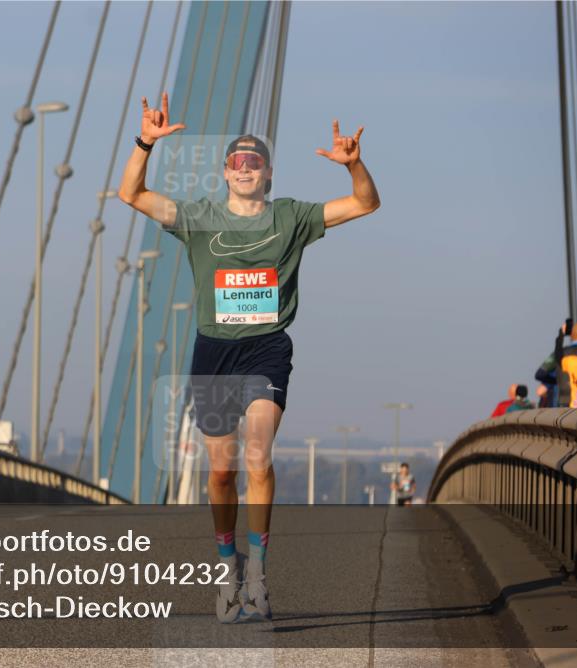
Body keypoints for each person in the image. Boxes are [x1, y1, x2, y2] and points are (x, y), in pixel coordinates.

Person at [117, 93, 380, 622]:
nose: (244, 168)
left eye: (253, 161)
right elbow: (131, 194)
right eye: (236, 161)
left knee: (257, 456)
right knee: (220, 471)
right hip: (213, 350)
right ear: (223, 172)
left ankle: (257, 573)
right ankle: (226, 567)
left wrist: (354, 166)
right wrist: (146, 141)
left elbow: (364, 204)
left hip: (266, 347)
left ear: (268, 174)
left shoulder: (292, 218)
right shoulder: (197, 218)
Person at [537, 320, 577, 407]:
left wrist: (556, 381)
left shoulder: (560, 353)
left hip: (563, 400)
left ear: (571, 335)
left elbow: (540, 374)